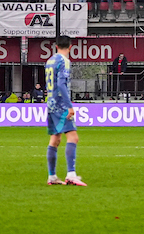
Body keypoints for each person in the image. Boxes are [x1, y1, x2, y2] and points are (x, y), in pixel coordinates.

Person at [45, 36, 85, 185]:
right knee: (73, 137)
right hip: (61, 104)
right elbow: (61, 84)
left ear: (56, 46)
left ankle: (52, 176)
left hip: (51, 103)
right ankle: (71, 174)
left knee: (55, 139)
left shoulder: (50, 61)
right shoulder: (64, 61)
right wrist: (69, 105)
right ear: (70, 47)